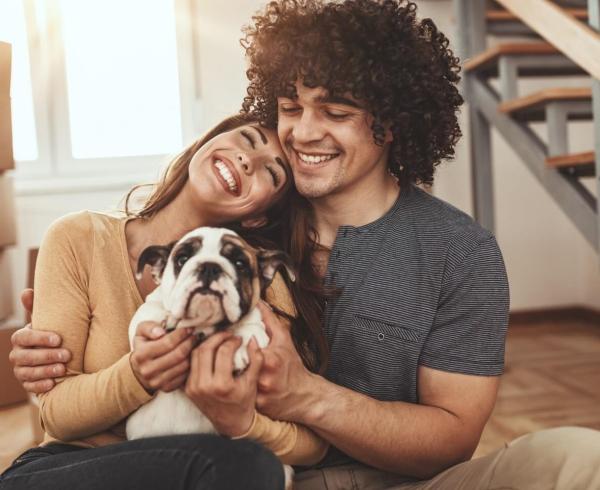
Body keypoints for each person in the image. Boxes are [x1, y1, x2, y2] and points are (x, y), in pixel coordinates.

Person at [10, 1, 600, 489]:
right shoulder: (243, 225)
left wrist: (305, 397)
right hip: (239, 471)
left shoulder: (459, 252)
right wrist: (65, 334)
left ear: (390, 124)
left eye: (336, 112)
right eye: (290, 108)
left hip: (380, 478)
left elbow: (451, 437)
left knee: (579, 459)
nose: (302, 133)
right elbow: (138, 248)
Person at [1, 113, 330, 490]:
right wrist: (138, 375)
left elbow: (311, 443)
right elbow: (56, 416)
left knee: (251, 467)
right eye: (246, 140)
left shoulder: (256, 283)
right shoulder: (78, 238)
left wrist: (243, 423)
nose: (246, 161)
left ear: (259, 217)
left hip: (209, 467)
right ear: (208, 141)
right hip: (71, 466)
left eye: (271, 173)